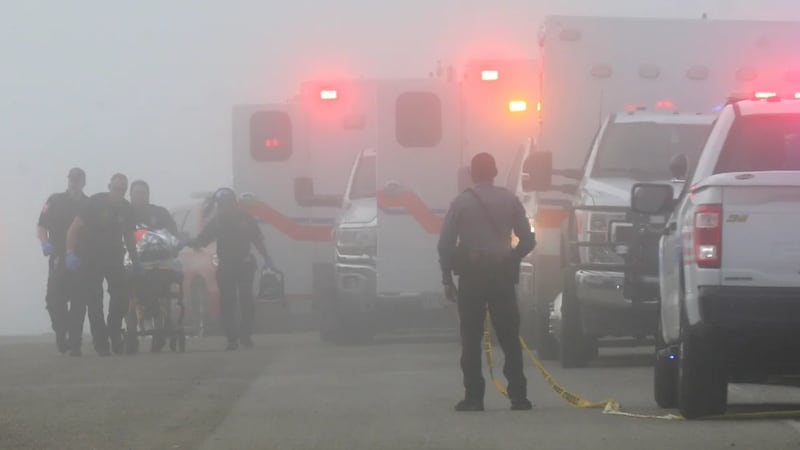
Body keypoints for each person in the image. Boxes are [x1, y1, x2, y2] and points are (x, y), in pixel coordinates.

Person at [437, 152, 536, 412]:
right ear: (494, 172)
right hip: (501, 277)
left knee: (471, 339)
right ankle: (519, 396)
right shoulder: (510, 200)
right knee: (509, 338)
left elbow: (445, 244)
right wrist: (511, 259)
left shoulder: (460, 203)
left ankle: (473, 398)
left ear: (472, 174)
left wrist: (447, 278)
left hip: (471, 278)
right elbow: (528, 240)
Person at [187, 188, 273, 351]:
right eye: (221, 204)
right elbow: (203, 240)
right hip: (226, 266)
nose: (224, 207)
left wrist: (267, 258)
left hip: (244, 265)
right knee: (227, 302)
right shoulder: (217, 221)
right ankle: (231, 339)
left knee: (247, 300)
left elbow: (257, 239)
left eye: (227, 204)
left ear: (234, 203)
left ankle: (245, 335)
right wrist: (189, 243)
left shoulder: (246, 219)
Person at [65, 173, 139, 356]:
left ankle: (114, 333)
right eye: (115, 189)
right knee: (94, 303)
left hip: (114, 258)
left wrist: (136, 259)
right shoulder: (95, 203)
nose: (118, 193)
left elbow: (129, 237)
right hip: (90, 258)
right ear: (109, 187)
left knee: (121, 297)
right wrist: (70, 253)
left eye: (122, 190)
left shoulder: (127, 209)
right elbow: (74, 229)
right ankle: (101, 344)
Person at [36, 168, 89, 354]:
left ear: (84, 182)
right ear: (68, 180)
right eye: (72, 179)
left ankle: (75, 343)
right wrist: (44, 243)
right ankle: (61, 331)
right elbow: (41, 225)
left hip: (80, 257)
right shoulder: (55, 200)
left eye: (78, 179)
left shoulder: (88, 204)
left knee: (78, 301)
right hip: (58, 255)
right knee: (53, 301)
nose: (74, 183)